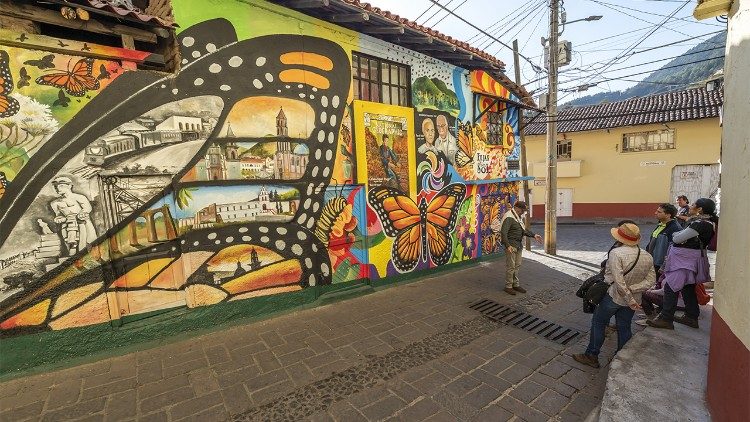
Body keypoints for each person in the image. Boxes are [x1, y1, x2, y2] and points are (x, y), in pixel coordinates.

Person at [573, 223, 655, 368]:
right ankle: (622, 358)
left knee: (598, 323)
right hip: (634, 299)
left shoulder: (616, 253)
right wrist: (633, 292)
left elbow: (618, 280)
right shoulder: (647, 255)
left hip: (614, 297)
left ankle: (591, 355)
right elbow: (651, 280)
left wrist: (628, 295)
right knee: (624, 327)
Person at [648, 198, 717, 330]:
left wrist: (676, 234)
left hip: (684, 260)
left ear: (700, 209)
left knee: (671, 287)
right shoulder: (707, 223)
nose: (690, 207)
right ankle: (691, 316)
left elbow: (677, 238)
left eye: (693, 205)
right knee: (687, 287)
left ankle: (666, 318)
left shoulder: (700, 224)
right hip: (690, 258)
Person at [492, 201, 542, 295]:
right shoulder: (509, 217)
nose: (523, 212)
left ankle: (516, 284)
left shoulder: (517, 216)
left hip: (518, 245)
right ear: (517, 208)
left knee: (517, 265)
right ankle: (508, 286)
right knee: (511, 266)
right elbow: (503, 233)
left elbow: (523, 230)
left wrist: (534, 235)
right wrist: (507, 246)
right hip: (511, 245)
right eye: (523, 210)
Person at [50, 176, 97, 255]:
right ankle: (71, 258)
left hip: (82, 223)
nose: (58, 188)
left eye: (61, 185)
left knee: (83, 243)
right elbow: (58, 215)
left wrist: (82, 213)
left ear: (69, 186)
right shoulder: (55, 203)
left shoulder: (79, 197)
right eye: (55, 186)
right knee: (71, 244)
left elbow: (87, 208)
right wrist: (59, 219)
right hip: (67, 225)